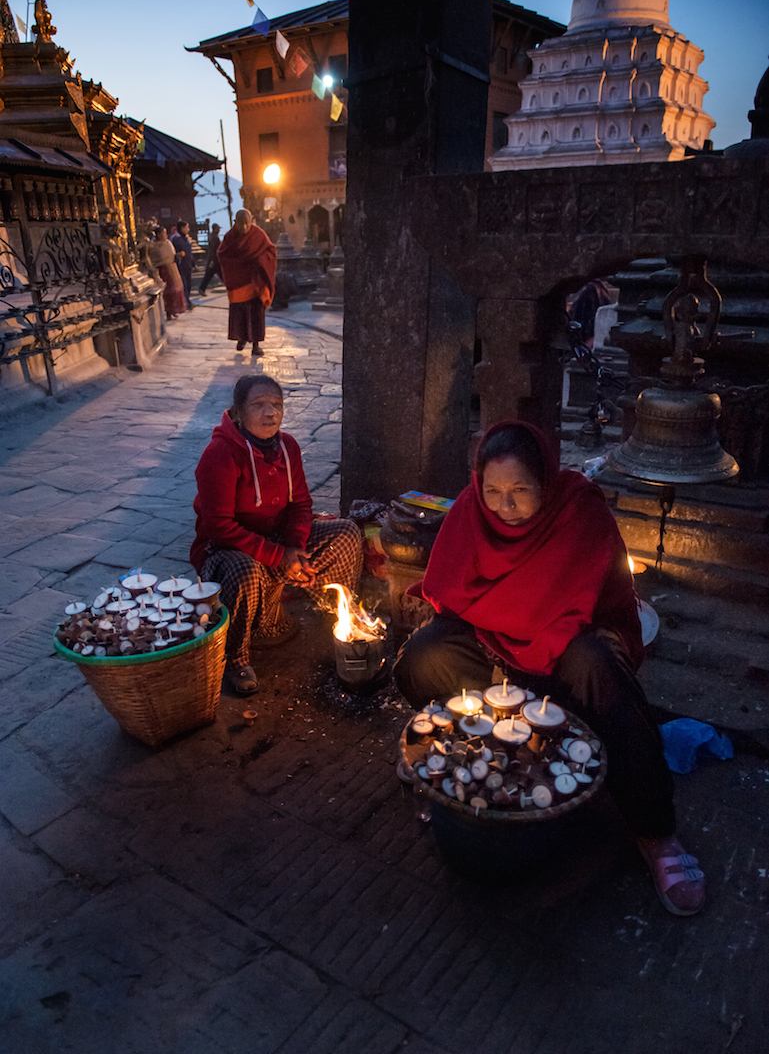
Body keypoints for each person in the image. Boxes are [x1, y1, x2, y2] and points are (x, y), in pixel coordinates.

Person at [394, 420, 706, 917]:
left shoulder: (579, 511)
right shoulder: (471, 513)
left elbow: (578, 606)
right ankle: (451, 762)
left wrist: (528, 645)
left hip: (568, 641)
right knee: (425, 655)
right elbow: (449, 596)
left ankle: (655, 833)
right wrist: (497, 645)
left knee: (597, 665)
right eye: (492, 491)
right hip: (498, 645)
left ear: (546, 481)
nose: (506, 506)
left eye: (521, 490)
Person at [191, 373, 363, 694]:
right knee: (244, 570)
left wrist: (295, 549)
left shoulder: (288, 447)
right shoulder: (220, 455)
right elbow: (220, 527)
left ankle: (339, 616)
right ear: (239, 412)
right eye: (259, 405)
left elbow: (301, 504)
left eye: (277, 405)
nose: (270, 412)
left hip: (278, 542)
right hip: (227, 551)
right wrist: (277, 556)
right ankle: (236, 659)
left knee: (346, 533)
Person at [217, 209, 276, 357]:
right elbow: (222, 254)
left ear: (251, 221)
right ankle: (241, 338)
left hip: (255, 284)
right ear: (235, 223)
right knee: (239, 314)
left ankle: (256, 345)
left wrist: (260, 261)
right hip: (238, 284)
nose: (243, 227)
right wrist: (235, 267)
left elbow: (270, 251)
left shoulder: (258, 234)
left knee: (256, 314)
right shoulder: (229, 237)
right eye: (240, 224)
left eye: (247, 223)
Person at [148, 226, 186, 320]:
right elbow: (154, 258)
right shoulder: (154, 246)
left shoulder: (168, 243)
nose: (166, 235)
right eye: (164, 233)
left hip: (172, 268)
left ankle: (174, 310)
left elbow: (171, 255)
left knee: (176, 290)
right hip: (163, 271)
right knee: (167, 292)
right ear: (159, 235)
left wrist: (176, 256)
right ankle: (168, 311)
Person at [170, 220, 196, 311]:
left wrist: (193, 264)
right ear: (182, 228)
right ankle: (186, 303)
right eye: (187, 227)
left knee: (188, 285)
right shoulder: (174, 239)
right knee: (183, 285)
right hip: (180, 265)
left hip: (188, 264)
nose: (188, 230)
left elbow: (190, 252)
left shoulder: (187, 238)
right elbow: (171, 253)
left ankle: (187, 301)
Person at [197, 223, 222, 296]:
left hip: (212, 259)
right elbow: (214, 250)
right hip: (214, 260)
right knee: (222, 274)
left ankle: (202, 288)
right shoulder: (215, 238)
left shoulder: (211, 236)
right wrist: (213, 260)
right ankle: (230, 288)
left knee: (208, 276)